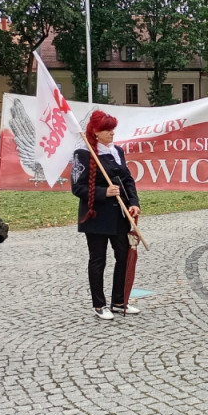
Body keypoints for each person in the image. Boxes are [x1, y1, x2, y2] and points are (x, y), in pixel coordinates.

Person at [71, 110, 141, 321]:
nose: (112, 133)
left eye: (112, 129)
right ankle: (99, 304)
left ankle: (119, 301)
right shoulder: (83, 154)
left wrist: (134, 203)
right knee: (98, 260)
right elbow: (77, 188)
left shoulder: (117, 151)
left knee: (123, 256)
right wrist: (103, 192)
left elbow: (128, 180)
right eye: (107, 130)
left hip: (119, 215)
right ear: (95, 132)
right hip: (95, 216)